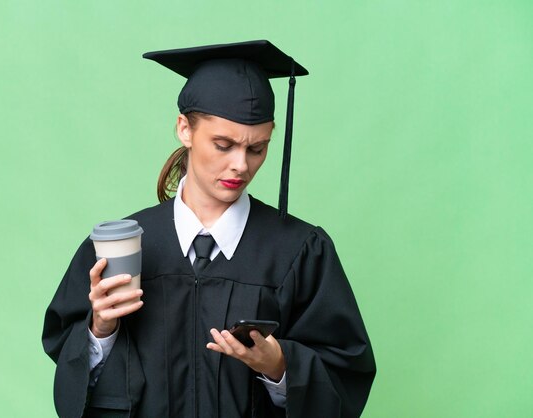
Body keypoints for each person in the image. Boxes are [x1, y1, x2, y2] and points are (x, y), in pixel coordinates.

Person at [42, 40, 376, 418]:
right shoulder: (119, 246)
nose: (241, 166)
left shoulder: (299, 251)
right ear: (184, 129)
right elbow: (70, 367)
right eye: (223, 145)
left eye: (257, 148)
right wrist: (100, 330)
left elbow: (345, 374)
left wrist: (280, 365)